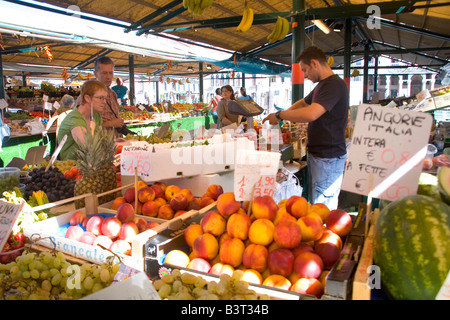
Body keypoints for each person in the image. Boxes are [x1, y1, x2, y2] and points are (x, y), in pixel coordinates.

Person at [263, 46, 349, 210]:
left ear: (315, 63)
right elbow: (303, 103)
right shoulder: (322, 86)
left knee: (322, 207)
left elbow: (311, 114)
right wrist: (280, 113)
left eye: (305, 70)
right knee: (316, 204)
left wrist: (281, 116)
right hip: (319, 156)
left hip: (328, 158)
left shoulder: (334, 85)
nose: (305, 75)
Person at [58, 80, 106, 160]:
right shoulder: (75, 119)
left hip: (91, 164)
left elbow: (101, 141)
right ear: (87, 98)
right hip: (72, 168)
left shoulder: (96, 116)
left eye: (105, 98)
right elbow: (88, 147)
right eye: (100, 98)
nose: (104, 102)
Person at [92, 56, 124, 138]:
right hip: (100, 145)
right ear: (96, 74)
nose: (108, 77)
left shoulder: (113, 94)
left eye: (111, 73)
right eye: (104, 73)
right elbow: (83, 125)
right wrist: (111, 123)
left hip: (116, 142)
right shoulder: (89, 95)